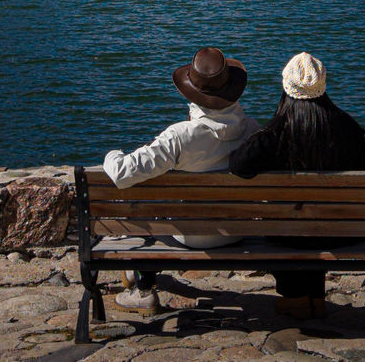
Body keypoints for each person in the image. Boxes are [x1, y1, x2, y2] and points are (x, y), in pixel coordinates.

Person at [103, 46, 259, 314]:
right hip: (236, 232)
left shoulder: (179, 137)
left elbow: (120, 173)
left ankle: (143, 288)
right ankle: (136, 276)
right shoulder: (253, 130)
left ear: (193, 94)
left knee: (149, 212)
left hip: (189, 235)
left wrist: (112, 154)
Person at [229, 51, 365, 319]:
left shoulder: (275, 133)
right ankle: (314, 297)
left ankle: (296, 297)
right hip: (344, 231)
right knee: (318, 217)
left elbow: (239, 166)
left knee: (295, 219)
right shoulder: (346, 127)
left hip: (287, 234)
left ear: (286, 87)